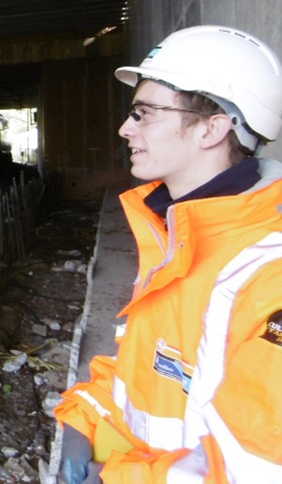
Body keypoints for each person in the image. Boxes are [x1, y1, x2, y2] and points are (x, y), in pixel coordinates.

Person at [54, 25, 282, 483]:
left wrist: (114, 476)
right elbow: (151, 369)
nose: (125, 128)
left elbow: (257, 469)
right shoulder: (177, 234)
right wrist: (83, 418)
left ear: (212, 129)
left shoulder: (265, 274)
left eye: (145, 113)